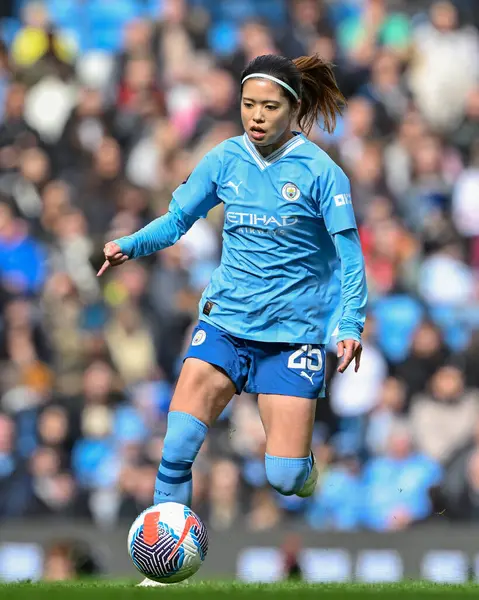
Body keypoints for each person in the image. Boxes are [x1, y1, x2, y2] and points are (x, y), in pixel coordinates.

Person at [98, 53, 367, 585]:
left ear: (294, 109)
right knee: (175, 449)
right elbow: (177, 221)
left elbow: (351, 257)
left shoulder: (321, 173)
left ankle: (307, 470)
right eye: (248, 105)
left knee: (284, 478)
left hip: (292, 338)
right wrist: (130, 244)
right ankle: (163, 572)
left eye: (269, 106)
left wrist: (350, 324)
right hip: (225, 324)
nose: (257, 116)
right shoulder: (225, 159)